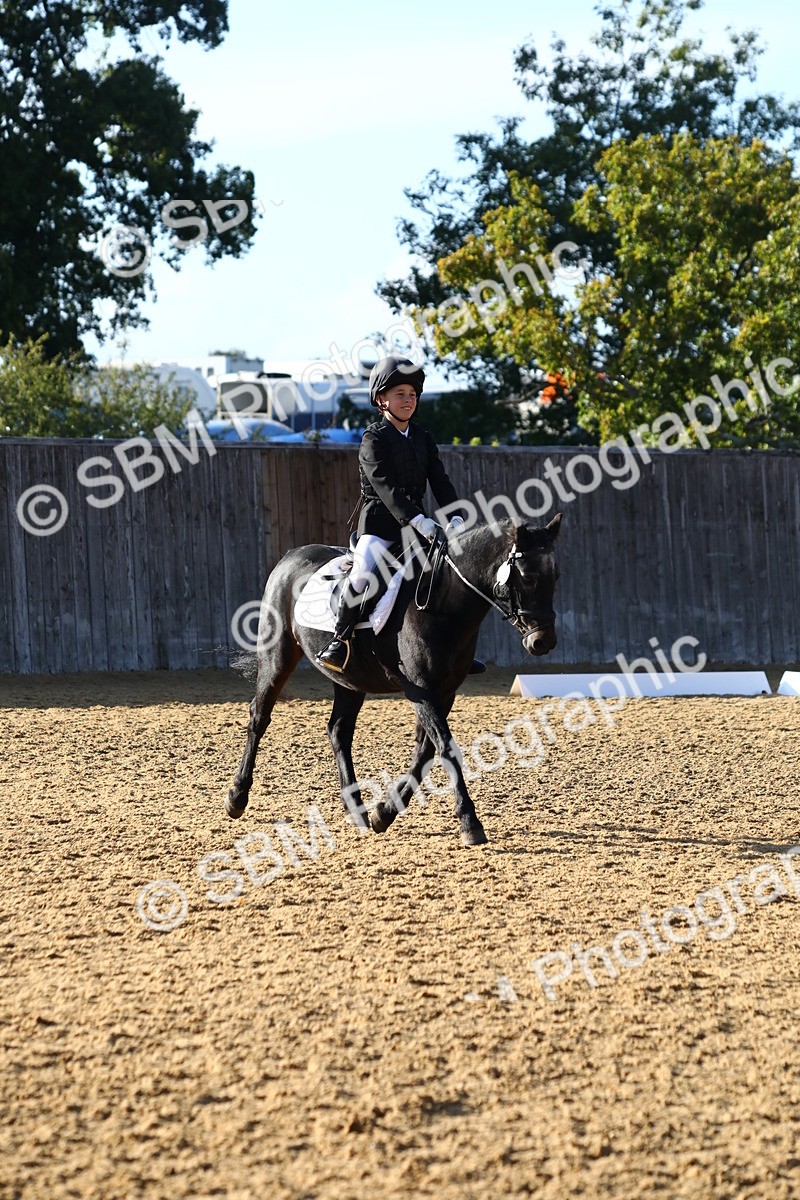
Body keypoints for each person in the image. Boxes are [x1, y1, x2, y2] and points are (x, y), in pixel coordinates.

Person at [316, 356, 466, 673]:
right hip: (379, 526)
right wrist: (418, 520)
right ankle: (339, 641)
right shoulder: (373, 439)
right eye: (400, 394)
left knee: (447, 575)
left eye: (412, 395)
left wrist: (455, 515)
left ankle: (452, 650)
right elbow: (385, 488)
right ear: (381, 399)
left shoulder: (423, 438)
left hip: (419, 528)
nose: (408, 400)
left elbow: (440, 480)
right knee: (361, 574)